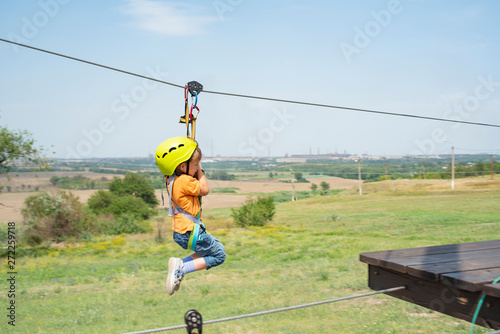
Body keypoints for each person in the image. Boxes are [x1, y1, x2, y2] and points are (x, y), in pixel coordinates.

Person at [155, 137, 226, 295]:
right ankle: (182, 267)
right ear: (182, 166)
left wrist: (192, 158)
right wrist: (200, 170)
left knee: (207, 252)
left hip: (181, 232)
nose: (196, 169)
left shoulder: (171, 179)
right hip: (190, 231)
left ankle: (179, 266)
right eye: (194, 165)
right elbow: (205, 189)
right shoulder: (185, 181)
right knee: (219, 254)